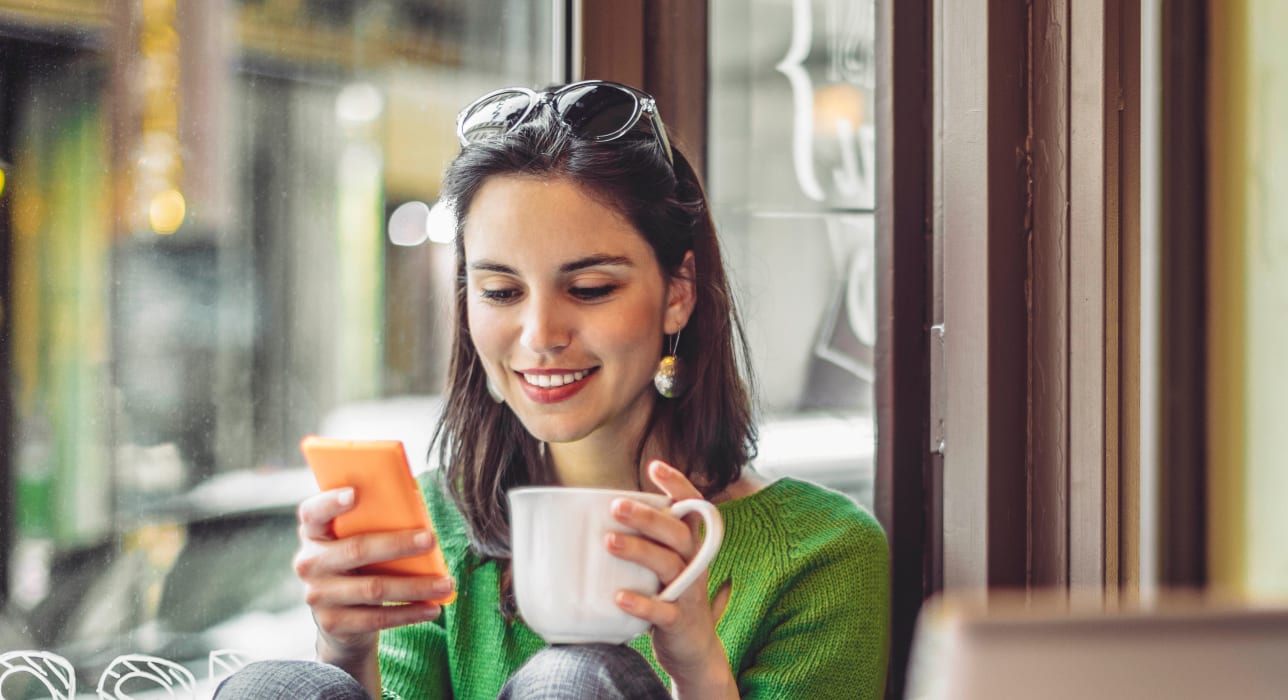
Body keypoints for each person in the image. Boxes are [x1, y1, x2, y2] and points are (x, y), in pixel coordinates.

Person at [216, 81, 889, 700]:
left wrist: (694, 665)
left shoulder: (819, 553)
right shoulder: (435, 527)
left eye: (590, 289)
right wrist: (346, 650)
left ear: (677, 295)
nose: (540, 334)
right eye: (501, 292)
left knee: (575, 682)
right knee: (279, 688)